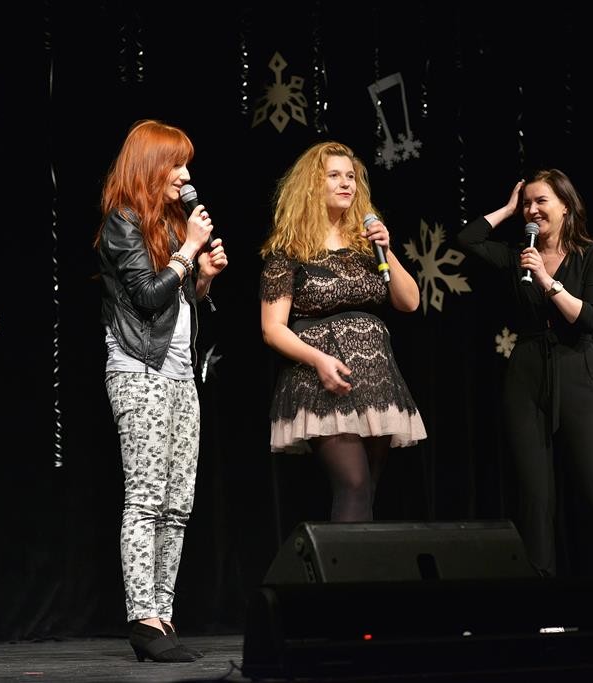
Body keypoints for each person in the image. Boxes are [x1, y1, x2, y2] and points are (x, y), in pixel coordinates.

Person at [457, 169, 593, 641]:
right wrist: (506, 210)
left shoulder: (592, 256)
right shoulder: (516, 254)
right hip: (526, 373)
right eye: (527, 203)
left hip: (576, 370)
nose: (533, 210)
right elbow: (466, 239)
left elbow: (590, 319)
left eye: (540, 201)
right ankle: (544, 601)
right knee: (535, 498)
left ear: (566, 204)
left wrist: (546, 279)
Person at [94, 119, 228, 662]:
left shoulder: (170, 227)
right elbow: (147, 297)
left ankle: (163, 617)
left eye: (187, 164)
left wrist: (203, 278)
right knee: (146, 498)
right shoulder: (122, 221)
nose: (186, 175)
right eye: (176, 164)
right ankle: (142, 618)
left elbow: (177, 303)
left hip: (179, 374)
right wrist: (189, 250)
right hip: (138, 370)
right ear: (151, 166)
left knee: (178, 503)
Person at [259, 141, 426, 522]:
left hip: (375, 381)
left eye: (350, 176)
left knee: (367, 492)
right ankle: (342, 566)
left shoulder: (366, 247)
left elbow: (410, 302)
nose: (346, 183)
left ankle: (358, 564)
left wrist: (386, 249)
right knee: (353, 485)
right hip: (323, 381)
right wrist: (318, 359)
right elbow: (272, 328)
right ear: (311, 185)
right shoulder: (289, 251)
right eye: (334, 175)